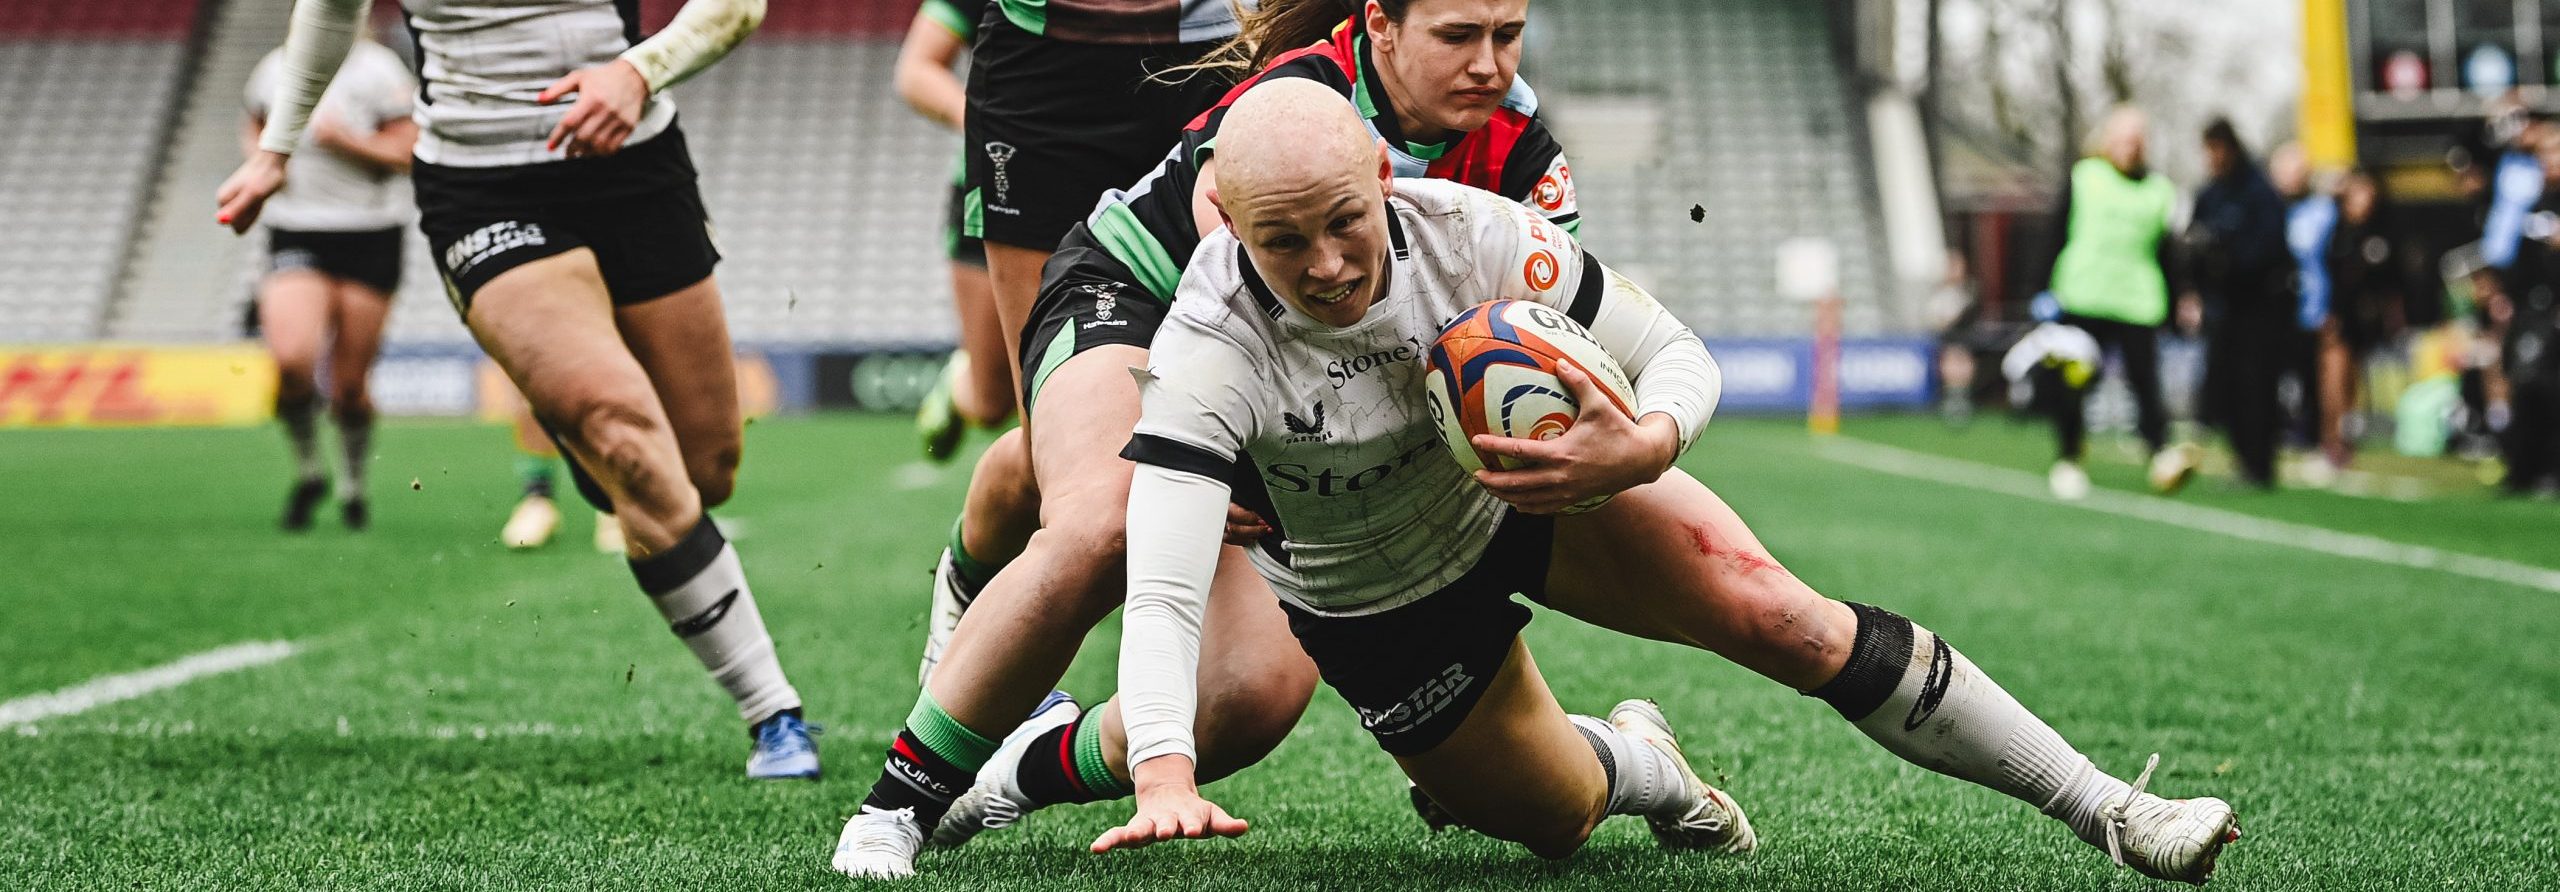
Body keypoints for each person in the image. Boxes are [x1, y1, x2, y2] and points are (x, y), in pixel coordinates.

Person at [1098, 79, 2240, 885]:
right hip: (1368, 594)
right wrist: (1163, 775)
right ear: (1230, 229)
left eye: (1345, 222)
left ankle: (2113, 810)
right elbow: (1163, 588)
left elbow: (1678, 352)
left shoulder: (1474, 232)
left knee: (1782, 612)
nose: (1328, 264)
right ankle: (1646, 763)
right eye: (1282, 242)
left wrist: (1644, 443)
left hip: (1524, 492)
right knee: (1558, 820)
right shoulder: (1206, 341)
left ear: (1384, 184)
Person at [836, 0, 1585, 878]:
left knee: (1247, 699)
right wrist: (1226, 453)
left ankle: (1009, 775)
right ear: (1385, 27)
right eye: (1460, 36)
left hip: (1241, 223)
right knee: (1104, 510)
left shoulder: (1517, 144)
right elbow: (1230, 302)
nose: (1487, 63)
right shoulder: (1309, 94)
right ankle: (898, 800)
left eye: (1505, 35)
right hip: (1133, 269)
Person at [218, 0, 821, 778]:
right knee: (623, 435)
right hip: (481, 185)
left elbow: (737, 6)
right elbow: (332, 9)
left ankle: (586, 430)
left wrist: (639, 71)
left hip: (632, 161)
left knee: (702, 470)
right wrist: (277, 148)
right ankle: (773, 711)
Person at [242, 33, 416, 532]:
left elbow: (408, 150)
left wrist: (347, 141)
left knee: (349, 388)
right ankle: (309, 471)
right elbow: (252, 125)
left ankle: (353, 487)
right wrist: (264, 162)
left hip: (371, 233)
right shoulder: (275, 67)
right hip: (297, 226)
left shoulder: (379, 71)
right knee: (292, 360)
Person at [2040, 107, 2197, 500]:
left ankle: (2160, 453)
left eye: (2138, 138)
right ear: (2108, 140)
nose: (2132, 146)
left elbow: (2167, 253)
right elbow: (2054, 234)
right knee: (2076, 383)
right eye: (2125, 137)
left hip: (2137, 300)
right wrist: (2042, 288)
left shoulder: (2160, 190)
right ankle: (2069, 457)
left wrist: (2180, 300)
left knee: (2146, 383)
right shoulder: (2084, 177)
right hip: (2084, 295)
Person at [898, 0, 1015, 462]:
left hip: (1114, 183)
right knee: (992, 404)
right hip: (999, 186)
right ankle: (958, 383)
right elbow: (916, 68)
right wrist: (990, 127)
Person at [2186, 119, 2294, 490]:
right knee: (2225, 388)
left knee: (2257, 387)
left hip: (2259, 306)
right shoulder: (2210, 194)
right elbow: (2192, 246)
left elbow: (2270, 248)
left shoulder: (2258, 191)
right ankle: (2242, 459)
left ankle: (2260, 464)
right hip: (2223, 307)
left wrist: (2228, 256)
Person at [2316, 168, 2411, 472]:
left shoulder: (2383, 233)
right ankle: (2332, 440)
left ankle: (2344, 439)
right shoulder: (2339, 231)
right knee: (2334, 374)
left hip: (2368, 317)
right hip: (2341, 314)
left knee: (2352, 380)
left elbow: (2394, 280)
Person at [2269, 143, 2334, 471]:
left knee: (2315, 380)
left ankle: (2318, 441)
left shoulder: (2323, 210)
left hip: (2314, 308)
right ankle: (2280, 435)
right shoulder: (2270, 210)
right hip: (2278, 310)